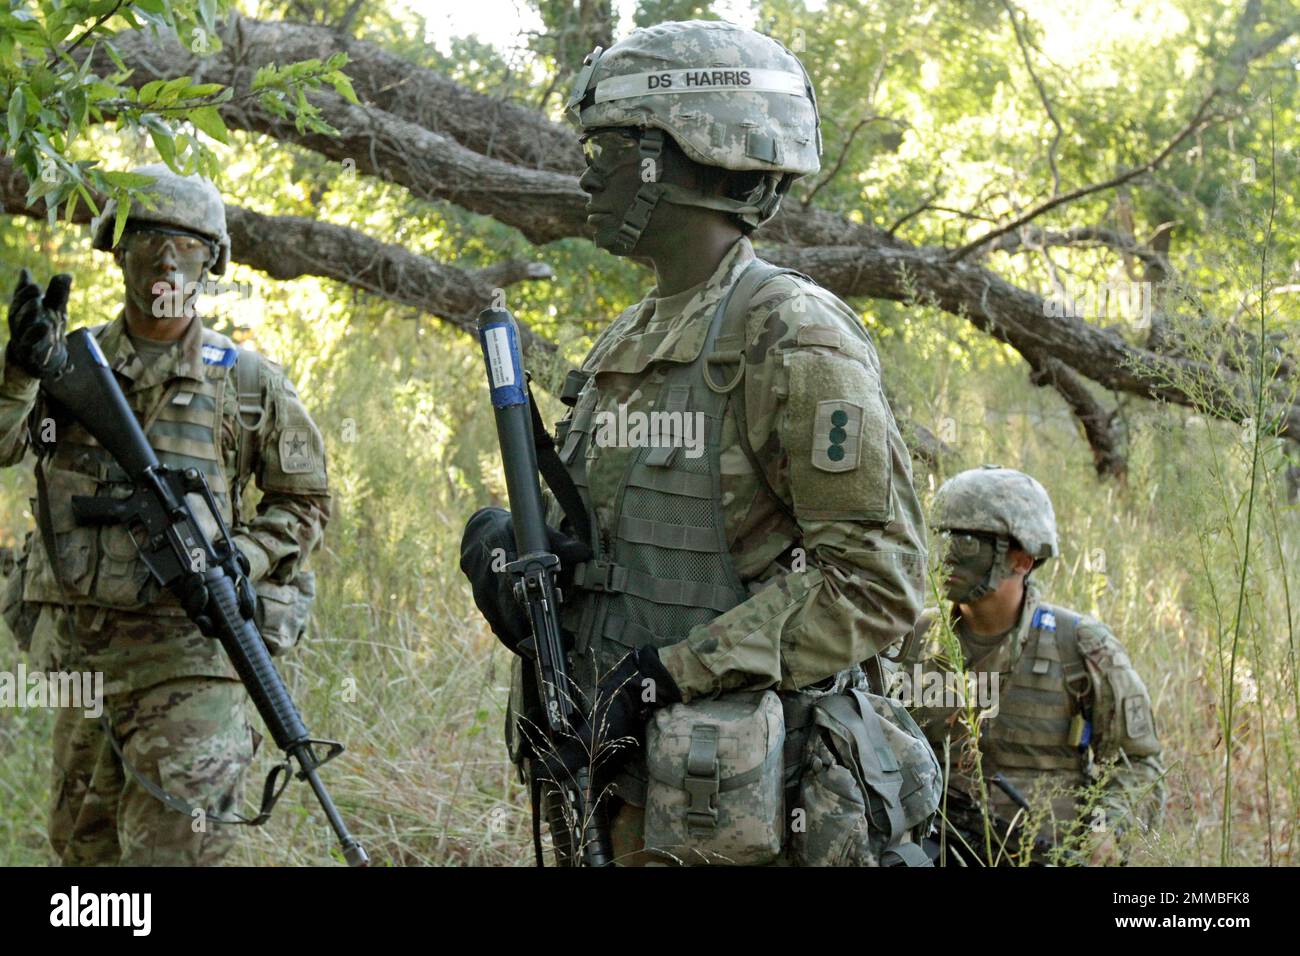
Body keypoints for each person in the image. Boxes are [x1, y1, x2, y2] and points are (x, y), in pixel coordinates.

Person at [461, 19, 938, 866]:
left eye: (607, 146)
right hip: (615, 784)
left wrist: (676, 669)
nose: (586, 170)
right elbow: (615, 545)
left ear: (674, 154)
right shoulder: (629, 337)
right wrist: (520, 555)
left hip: (740, 804)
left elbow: (876, 581)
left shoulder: (790, 335)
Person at [0, 164, 330, 865]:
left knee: (175, 857)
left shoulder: (246, 384)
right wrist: (21, 374)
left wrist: (245, 555)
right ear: (117, 251)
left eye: (186, 242)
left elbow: (305, 501)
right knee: (84, 862)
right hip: (85, 663)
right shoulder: (63, 368)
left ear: (212, 262)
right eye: (148, 237)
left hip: (191, 661)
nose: (165, 257)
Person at [900, 465, 1166, 864]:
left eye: (968, 541)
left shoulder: (1080, 647)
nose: (948, 554)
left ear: (1022, 559)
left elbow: (1138, 763)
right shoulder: (909, 640)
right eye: (942, 536)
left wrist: (1106, 830)